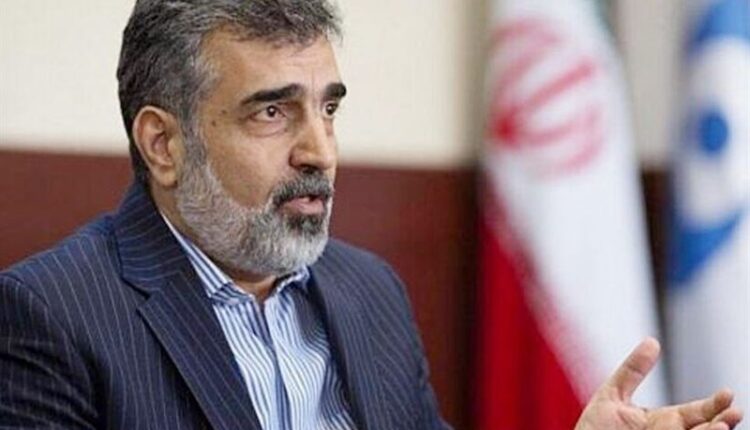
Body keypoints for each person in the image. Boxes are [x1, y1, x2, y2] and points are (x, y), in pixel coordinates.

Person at [0, 1, 743, 429]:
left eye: (327, 108)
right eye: (272, 112)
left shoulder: (368, 292)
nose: (320, 151)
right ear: (163, 143)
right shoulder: (52, 314)